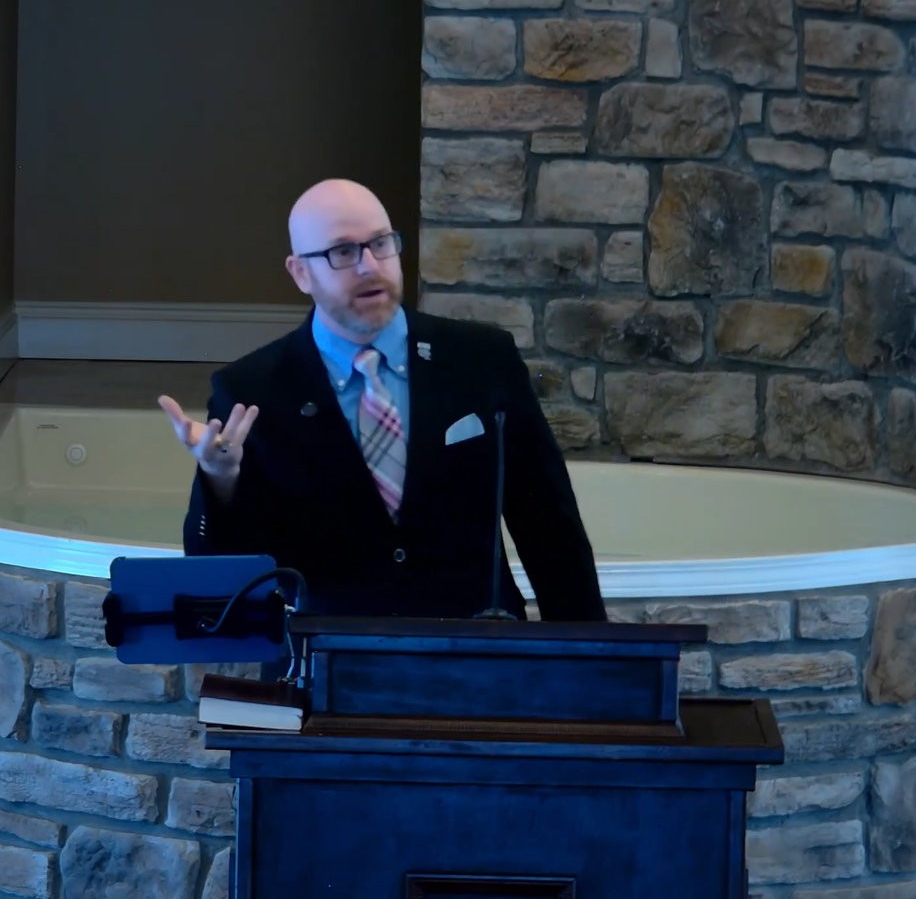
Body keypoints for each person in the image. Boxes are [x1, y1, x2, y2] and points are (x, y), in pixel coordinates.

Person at [159, 178, 605, 621]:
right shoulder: (250, 390)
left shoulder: (482, 361)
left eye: (381, 244)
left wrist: (593, 667)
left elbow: (549, 526)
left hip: (477, 655)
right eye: (343, 252)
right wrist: (220, 479)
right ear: (300, 273)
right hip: (326, 664)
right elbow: (220, 575)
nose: (369, 266)